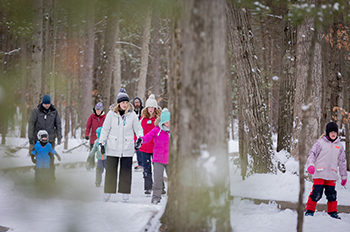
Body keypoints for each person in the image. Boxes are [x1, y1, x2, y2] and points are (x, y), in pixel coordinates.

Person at [99, 88, 143, 202]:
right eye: (123, 102)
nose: (125, 104)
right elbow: (105, 129)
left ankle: (125, 192)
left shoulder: (132, 115)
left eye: (126, 102)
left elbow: (138, 128)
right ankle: (108, 191)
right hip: (113, 146)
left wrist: (140, 138)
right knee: (111, 171)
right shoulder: (111, 114)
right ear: (119, 103)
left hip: (127, 147)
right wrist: (101, 142)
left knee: (126, 170)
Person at [305, 122, 347, 219]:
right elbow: (312, 154)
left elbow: (342, 162)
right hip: (319, 173)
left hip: (331, 174)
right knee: (317, 193)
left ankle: (333, 212)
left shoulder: (339, 146)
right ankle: (309, 210)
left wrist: (344, 176)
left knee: (332, 194)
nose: (333, 134)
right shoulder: (320, 143)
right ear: (327, 133)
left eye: (335, 132)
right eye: (331, 132)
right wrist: (311, 165)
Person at [135, 108, 170, 204]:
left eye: (170, 122)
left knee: (173, 180)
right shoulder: (157, 130)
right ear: (162, 122)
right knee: (158, 180)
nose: (168, 124)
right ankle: (156, 198)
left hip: (170, 159)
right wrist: (141, 140)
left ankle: (174, 198)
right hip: (158, 159)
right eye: (166, 122)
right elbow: (148, 136)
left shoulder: (173, 131)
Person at [28, 94, 62, 180]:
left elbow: (58, 124)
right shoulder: (36, 111)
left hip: (50, 139)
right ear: (42, 103)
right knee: (39, 158)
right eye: (45, 103)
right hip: (38, 139)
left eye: (48, 103)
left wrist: (59, 136)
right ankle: (39, 176)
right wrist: (31, 136)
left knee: (50, 158)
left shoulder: (54, 111)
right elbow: (31, 123)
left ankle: (51, 176)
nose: (47, 105)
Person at [137, 94, 162, 195]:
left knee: (157, 169)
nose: (151, 109)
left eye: (152, 107)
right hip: (144, 148)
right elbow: (138, 131)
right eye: (149, 107)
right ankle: (147, 187)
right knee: (146, 169)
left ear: (155, 108)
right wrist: (137, 142)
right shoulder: (142, 119)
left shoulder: (158, 120)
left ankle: (160, 187)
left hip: (155, 148)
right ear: (146, 108)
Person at [85, 102, 106, 170]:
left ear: (101, 110)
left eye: (99, 110)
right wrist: (86, 134)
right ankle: (91, 166)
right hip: (93, 138)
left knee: (102, 152)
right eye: (97, 110)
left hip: (102, 138)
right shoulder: (92, 116)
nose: (98, 112)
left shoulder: (105, 117)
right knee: (92, 152)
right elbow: (88, 126)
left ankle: (102, 165)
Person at [132, 97, 144, 171]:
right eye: (135, 102)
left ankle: (142, 163)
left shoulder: (143, 111)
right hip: (133, 132)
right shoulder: (132, 111)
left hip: (141, 131)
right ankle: (140, 163)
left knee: (141, 148)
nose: (137, 104)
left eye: (138, 102)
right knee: (136, 148)